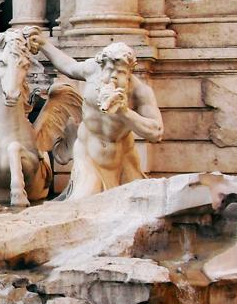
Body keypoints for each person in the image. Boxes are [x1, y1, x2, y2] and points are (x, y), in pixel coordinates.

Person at [36, 36, 163, 201]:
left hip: (122, 157)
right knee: (84, 203)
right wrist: (43, 43)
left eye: (120, 72)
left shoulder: (140, 92)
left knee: (137, 205)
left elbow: (156, 132)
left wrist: (124, 112)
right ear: (102, 66)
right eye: (110, 70)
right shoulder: (92, 70)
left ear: (130, 72)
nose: (113, 76)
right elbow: (68, 66)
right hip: (88, 154)